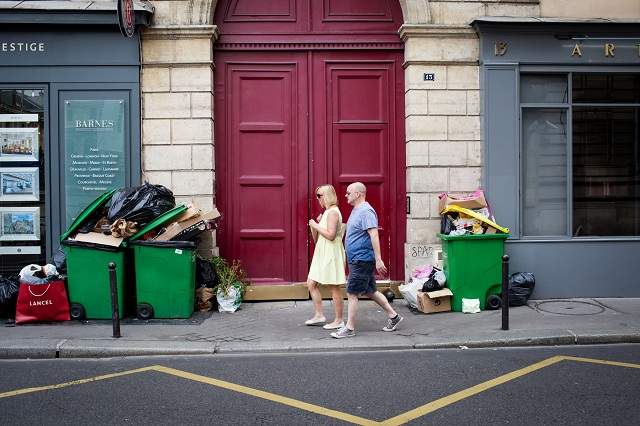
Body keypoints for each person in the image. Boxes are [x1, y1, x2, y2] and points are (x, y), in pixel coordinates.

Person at [330, 182, 402, 338]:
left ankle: (349, 328)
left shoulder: (366, 211)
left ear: (358, 194)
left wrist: (379, 259)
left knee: (352, 292)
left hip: (362, 260)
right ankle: (394, 316)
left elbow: (374, 235)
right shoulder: (357, 210)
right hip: (357, 259)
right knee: (371, 291)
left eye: (348, 193)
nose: (345, 195)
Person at [305, 184, 347, 330]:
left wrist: (316, 225)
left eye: (319, 196)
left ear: (327, 196)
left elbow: (330, 235)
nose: (317, 199)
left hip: (331, 253)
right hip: (322, 252)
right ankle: (319, 315)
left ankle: (339, 320)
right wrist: (315, 225)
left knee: (334, 286)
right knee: (311, 283)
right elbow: (317, 239)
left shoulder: (333, 213)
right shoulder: (328, 212)